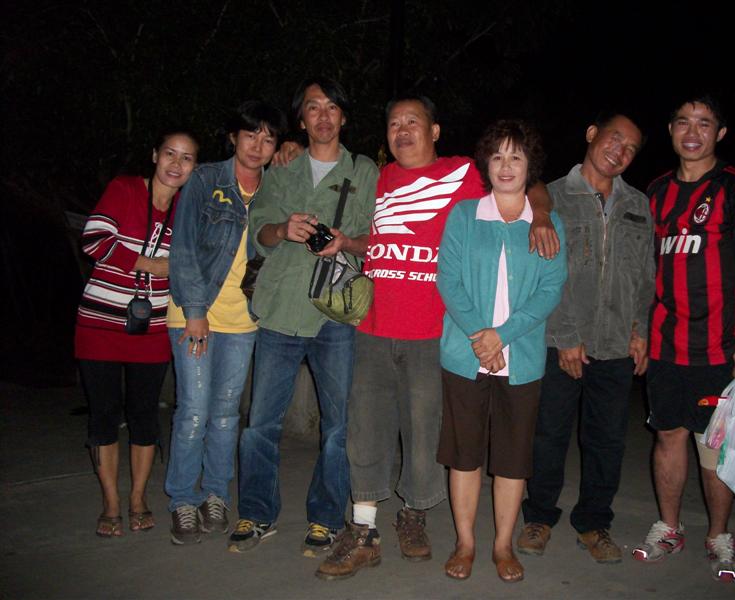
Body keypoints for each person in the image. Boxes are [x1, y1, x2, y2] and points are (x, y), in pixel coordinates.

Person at [317, 94, 557, 581]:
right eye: (394, 123)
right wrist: (349, 243)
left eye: (413, 121)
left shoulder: (463, 173)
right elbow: (378, 238)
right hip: (374, 326)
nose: (402, 130)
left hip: (432, 330)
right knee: (365, 428)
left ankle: (414, 516)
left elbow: (525, 180)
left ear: (435, 130)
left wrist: (543, 215)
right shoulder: (378, 178)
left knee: (425, 432)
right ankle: (363, 530)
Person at [228, 77, 378, 556]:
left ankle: (326, 518)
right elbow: (259, 231)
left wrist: (346, 242)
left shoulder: (365, 171)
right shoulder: (282, 167)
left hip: (335, 313)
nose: (323, 116)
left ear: (344, 117)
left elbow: (377, 239)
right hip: (281, 308)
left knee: (337, 426)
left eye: (332, 107)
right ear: (301, 119)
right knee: (259, 424)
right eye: (313, 107)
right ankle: (256, 512)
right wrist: (282, 229)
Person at [632, 94, 735, 582]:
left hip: (718, 345)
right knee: (668, 435)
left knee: (714, 444)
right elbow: (643, 269)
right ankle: (669, 528)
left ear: (720, 133)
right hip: (665, 344)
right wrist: (638, 331)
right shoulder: (655, 191)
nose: (693, 132)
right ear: (670, 130)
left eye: (704, 123)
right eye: (684, 122)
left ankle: (718, 535)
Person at [517, 112, 655, 563]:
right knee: (549, 434)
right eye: (615, 138)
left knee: (607, 440)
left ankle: (595, 523)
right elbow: (542, 273)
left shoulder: (638, 204)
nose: (621, 151)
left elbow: (645, 275)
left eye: (631, 148)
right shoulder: (552, 197)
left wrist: (640, 329)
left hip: (616, 344)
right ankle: (539, 516)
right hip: (561, 341)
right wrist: (565, 334)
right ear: (592, 134)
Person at [436, 119, 567, 582]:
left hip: (521, 361)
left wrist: (502, 336)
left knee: (512, 460)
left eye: (516, 157)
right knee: (465, 455)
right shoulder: (465, 216)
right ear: (486, 164)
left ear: (531, 166)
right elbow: (448, 279)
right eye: (497, 156)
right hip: (465, 355)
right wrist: (481, 336)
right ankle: (465, 542)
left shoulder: (547, 224)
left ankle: (503, 545)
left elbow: (550, 289)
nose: (506, 166)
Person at [165, 101, 287, 545]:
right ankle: (182, 498)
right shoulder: (205, 179)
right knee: (194, 410)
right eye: (250, 134)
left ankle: (215, 494)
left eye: (269, 138)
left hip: (243, 318)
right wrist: (196, 311)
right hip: (195, 311)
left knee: (224, 414)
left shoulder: (276, 187)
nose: (258, 145)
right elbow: (183, 248)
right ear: (234, 137)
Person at [75, 129, 199, 537]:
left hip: (153, 327)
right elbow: (94, 241)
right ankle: (111, 501)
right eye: (170, 154)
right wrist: (153, 266)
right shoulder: (125, 189)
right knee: (104, 414)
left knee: (144, 414)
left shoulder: (188, 208)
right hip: (100, 324)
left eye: (186, 158)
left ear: (194, 167)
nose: (176, 164)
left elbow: (196, 261)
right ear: (155, 155)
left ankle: (138, 498)